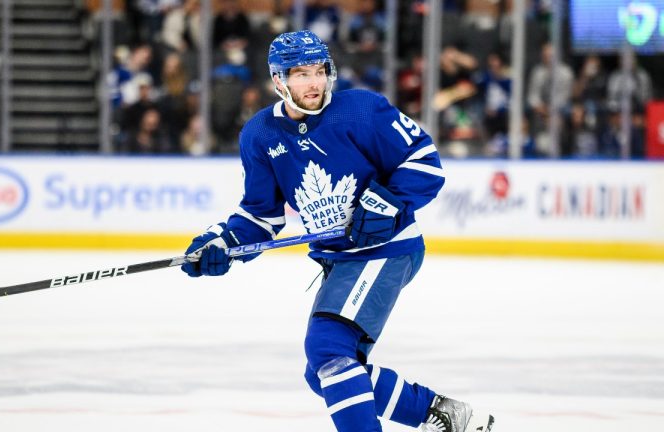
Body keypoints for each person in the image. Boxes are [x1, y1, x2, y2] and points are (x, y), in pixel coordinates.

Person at [180, 30, 495, 432]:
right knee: (326, 373)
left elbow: (425, 162)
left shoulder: (361, 110)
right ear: (279, 80)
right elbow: (261, 216)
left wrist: (389, 202)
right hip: (339, 260)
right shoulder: (260, 135)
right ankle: (445, 415)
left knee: (327, 348)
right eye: (301, 74)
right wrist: (222, 241)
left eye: (319, 71)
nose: (314, 83)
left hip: (387, 249)